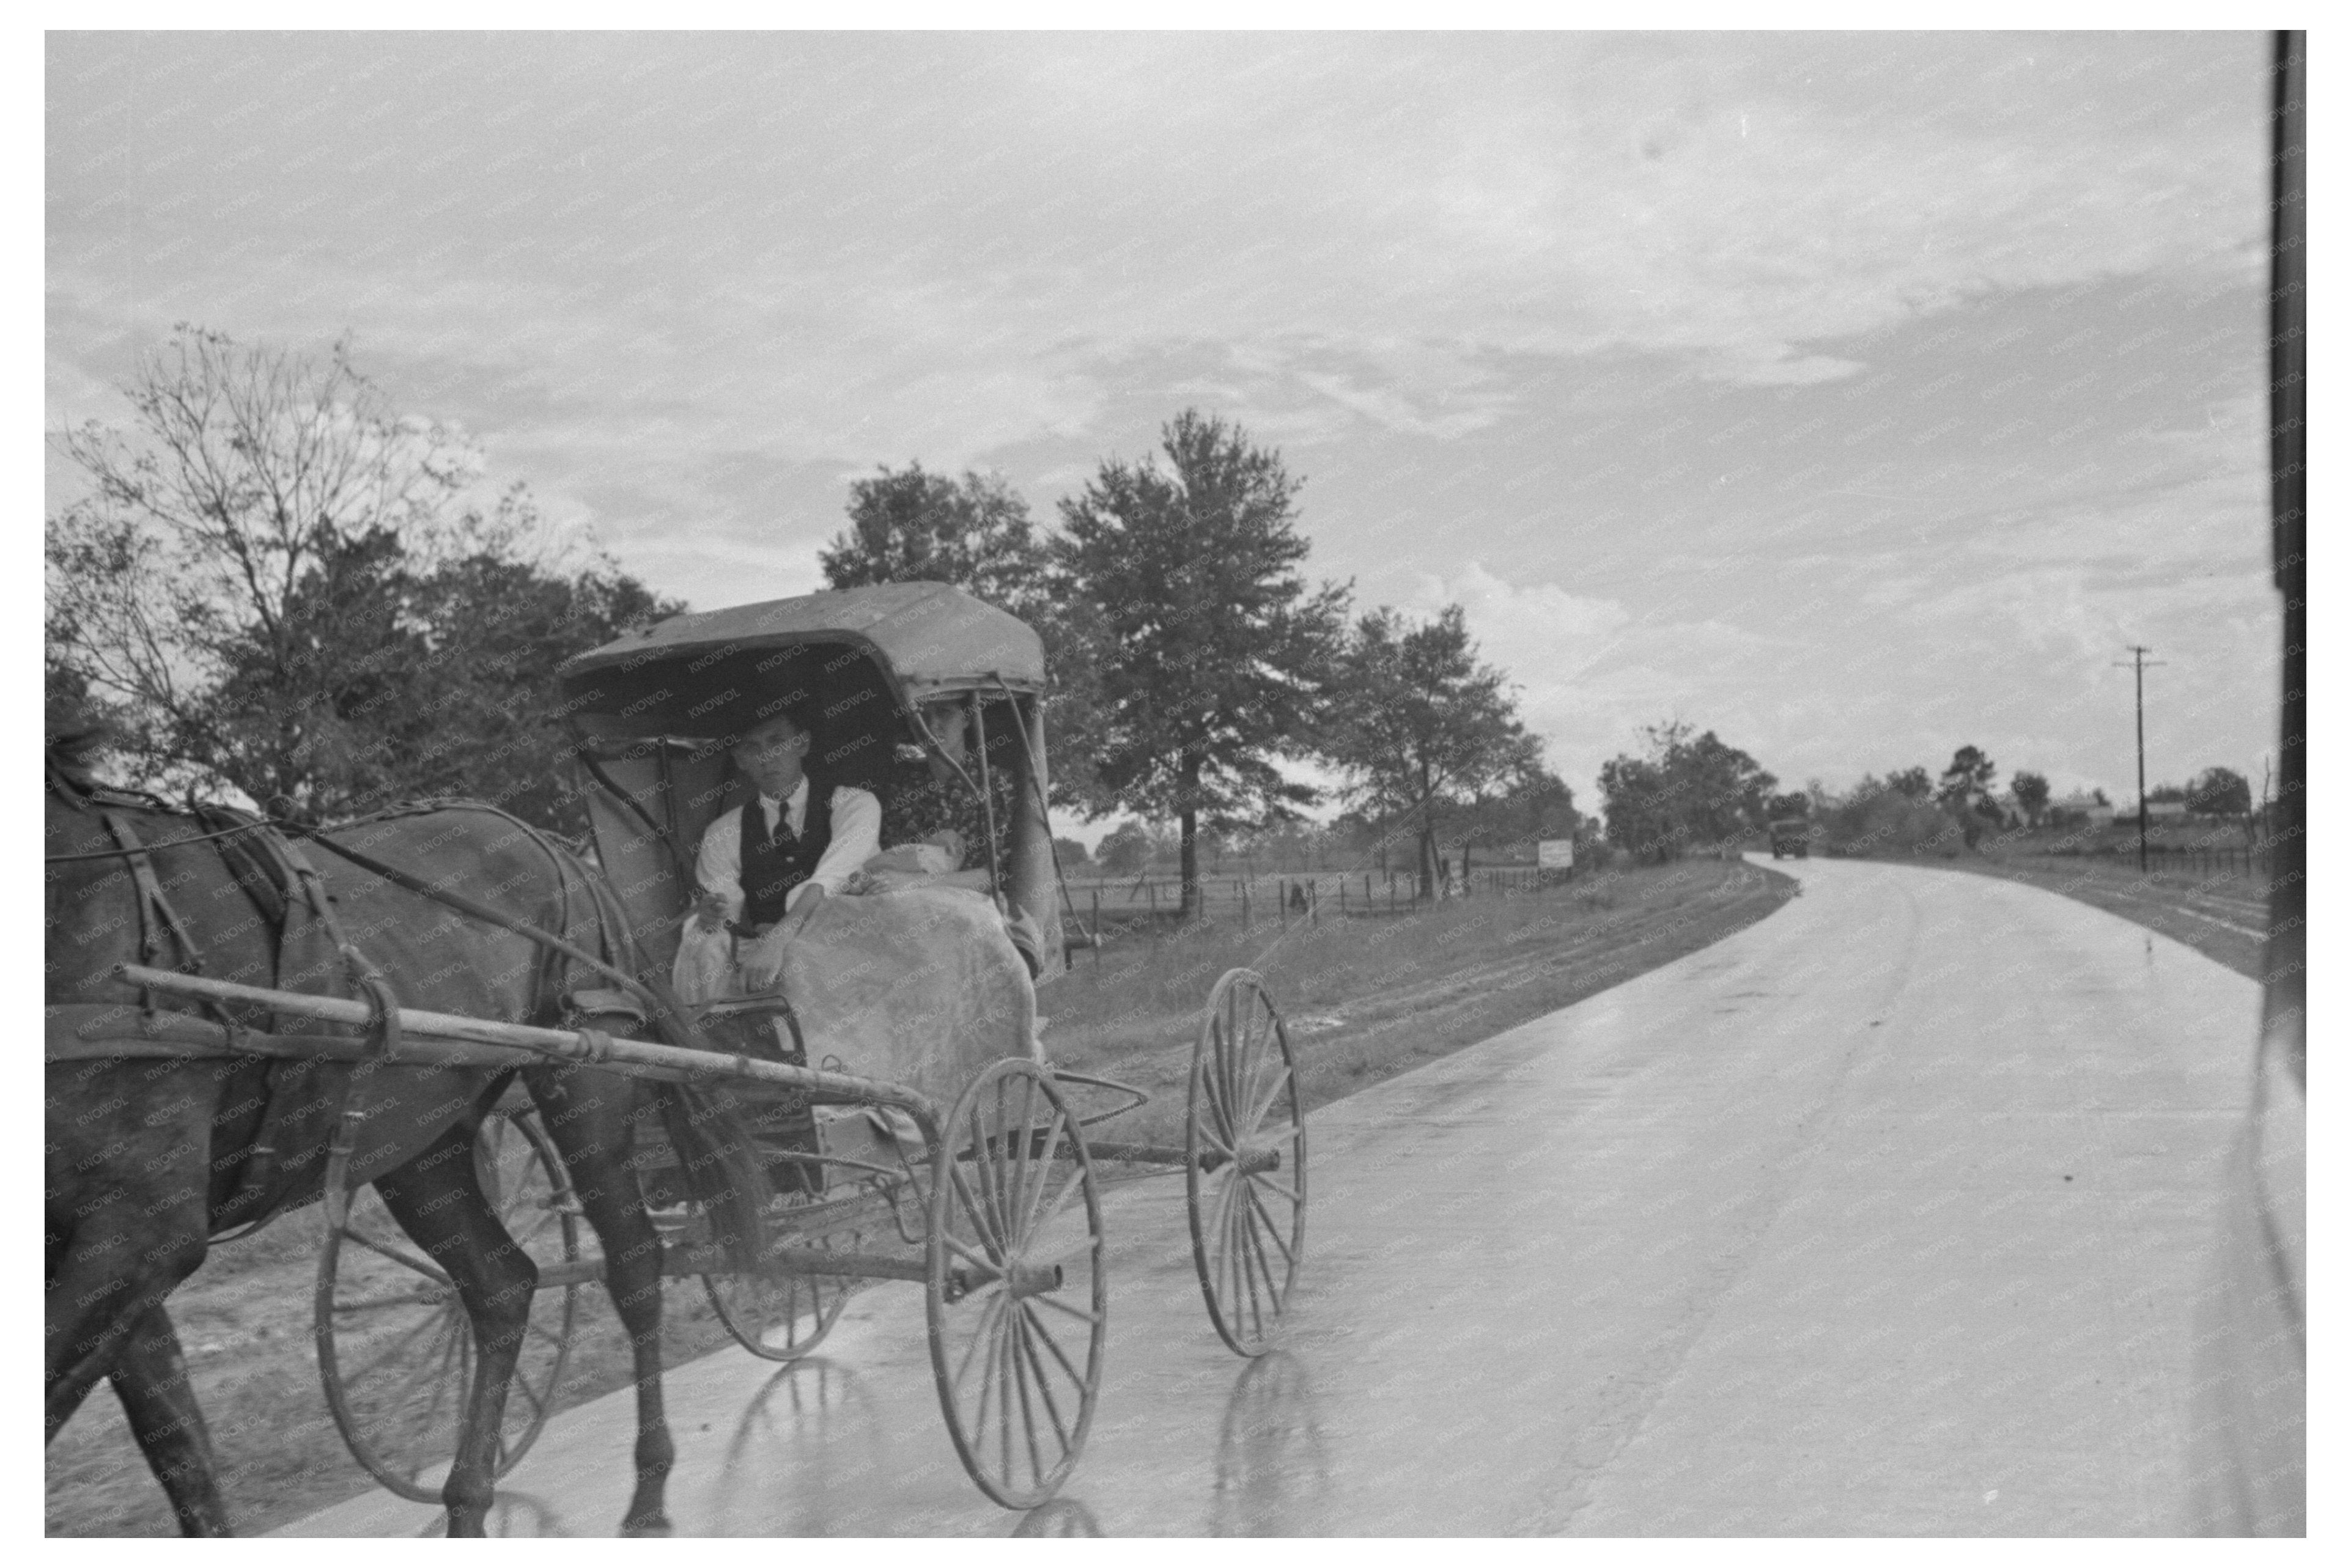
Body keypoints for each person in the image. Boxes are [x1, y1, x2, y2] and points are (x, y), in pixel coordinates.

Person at [675, 708, 882, 997]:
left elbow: (833, 876)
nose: (766, 757)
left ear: (802, 744)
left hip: (842, 943)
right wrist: (711, 917)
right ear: (740, 760)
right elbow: (724, 911)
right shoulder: (725, 831)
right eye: (752, 747)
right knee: (705, 943)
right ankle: (714, 1034)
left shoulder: (854, 805)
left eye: (777, 742)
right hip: (764, 949)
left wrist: (779, 939)